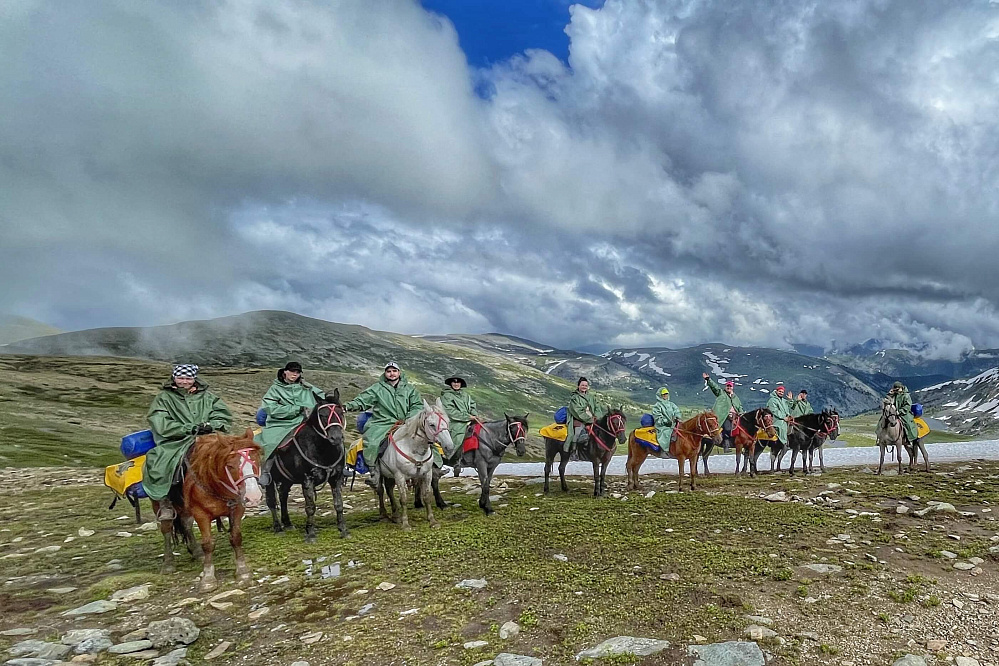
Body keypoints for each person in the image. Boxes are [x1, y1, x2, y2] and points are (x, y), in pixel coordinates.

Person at [143, 364, 232, 520]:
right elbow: (160, 421)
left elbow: (222, 414)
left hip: (207, 437)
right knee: (159, 463)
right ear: (174, 378)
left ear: (194, 378)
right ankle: (166, 502)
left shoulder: (208, 397)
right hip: (176, 440)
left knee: (232, 456)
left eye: (188, 378)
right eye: (181, 378)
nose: (184, 381)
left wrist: (212, 425)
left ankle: (232, 495)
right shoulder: (163, 398)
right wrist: (188, 428)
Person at [344, 361, 423, 473]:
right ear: (385, 373)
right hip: (382, 423)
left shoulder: (410, 389)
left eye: (394, 371)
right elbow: (362, 400)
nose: (392, 374)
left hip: (407, 422)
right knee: (372, 442)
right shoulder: (377, 388)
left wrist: (409, 419)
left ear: (399, 373)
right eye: (389, 371)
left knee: (429, 439)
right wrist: (347, 407)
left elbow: (417, 405)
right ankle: (373, 471)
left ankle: (434, 468)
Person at [256, 362, 325, 485]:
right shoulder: (275, 389)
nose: (295, 374)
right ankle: (265, 471)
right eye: (292, 371)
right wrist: (296, 409)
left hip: (306, 420)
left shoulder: (307, 387)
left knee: (330, 434)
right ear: (285, 372)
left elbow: (322, 397)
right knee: (270, 442)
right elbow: (270, 407)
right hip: (282, 422)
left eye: (298, 372)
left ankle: (339, 467)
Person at [440, 376, 477, 472]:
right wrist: (467, 417)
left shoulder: (466, 395)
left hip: (468, 419)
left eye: (458, 382)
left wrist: (474, 415)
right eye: (454, 382)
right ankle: (449, 457)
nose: (456, 384)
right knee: (459, 435)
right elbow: (450, 411)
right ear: (451, 384)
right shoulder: (446, 396)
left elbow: (472, 405)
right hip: (454, 421)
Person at [703, 374, 743, 451]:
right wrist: (708, 379)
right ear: (725, 387)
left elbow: (739, 406)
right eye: (727, 386)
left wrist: (741, 412)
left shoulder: (735, 397)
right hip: (724, 416)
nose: (729, 387)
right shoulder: (721, 393)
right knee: (728, 427)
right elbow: (715, 387)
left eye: (730, 386)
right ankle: (726, 445)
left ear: (732, 387)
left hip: (735, 416)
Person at [567, 377, 605, 452]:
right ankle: (574, 451)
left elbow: (597, 408)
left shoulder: (592, 397)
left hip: (593, 419)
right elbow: (577, 411)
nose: (584, 387)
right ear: (578, 386)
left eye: (586, 385)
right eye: (582, 385)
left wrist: (597, 417)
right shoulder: (575, 398)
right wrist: (589, 419)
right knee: (577, 432)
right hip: (579, 419)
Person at [880, 381, 919, 445]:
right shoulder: (894, 394)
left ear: (900, 388)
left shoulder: (906, 395)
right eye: (895, 390)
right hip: (893, 412)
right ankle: (880, 438)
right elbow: (887, 401)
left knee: (907, 424)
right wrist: (889, 394)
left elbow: (908, 406)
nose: (896, 391)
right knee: (883, 420)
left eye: (897, 389)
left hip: (904, 413)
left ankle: (909, 438)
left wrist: (900, 411)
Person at [652, 386, 681, 451]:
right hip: (662, 426)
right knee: (667, 433)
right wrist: (667, 421)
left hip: (674, 425)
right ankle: (666, 450)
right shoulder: (657, 406)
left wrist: (677, 417)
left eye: (666, 394)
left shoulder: (672, 404)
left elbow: (677, 411)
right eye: (663, 394)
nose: (665, 395)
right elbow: (658, 418)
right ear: (660, 395)